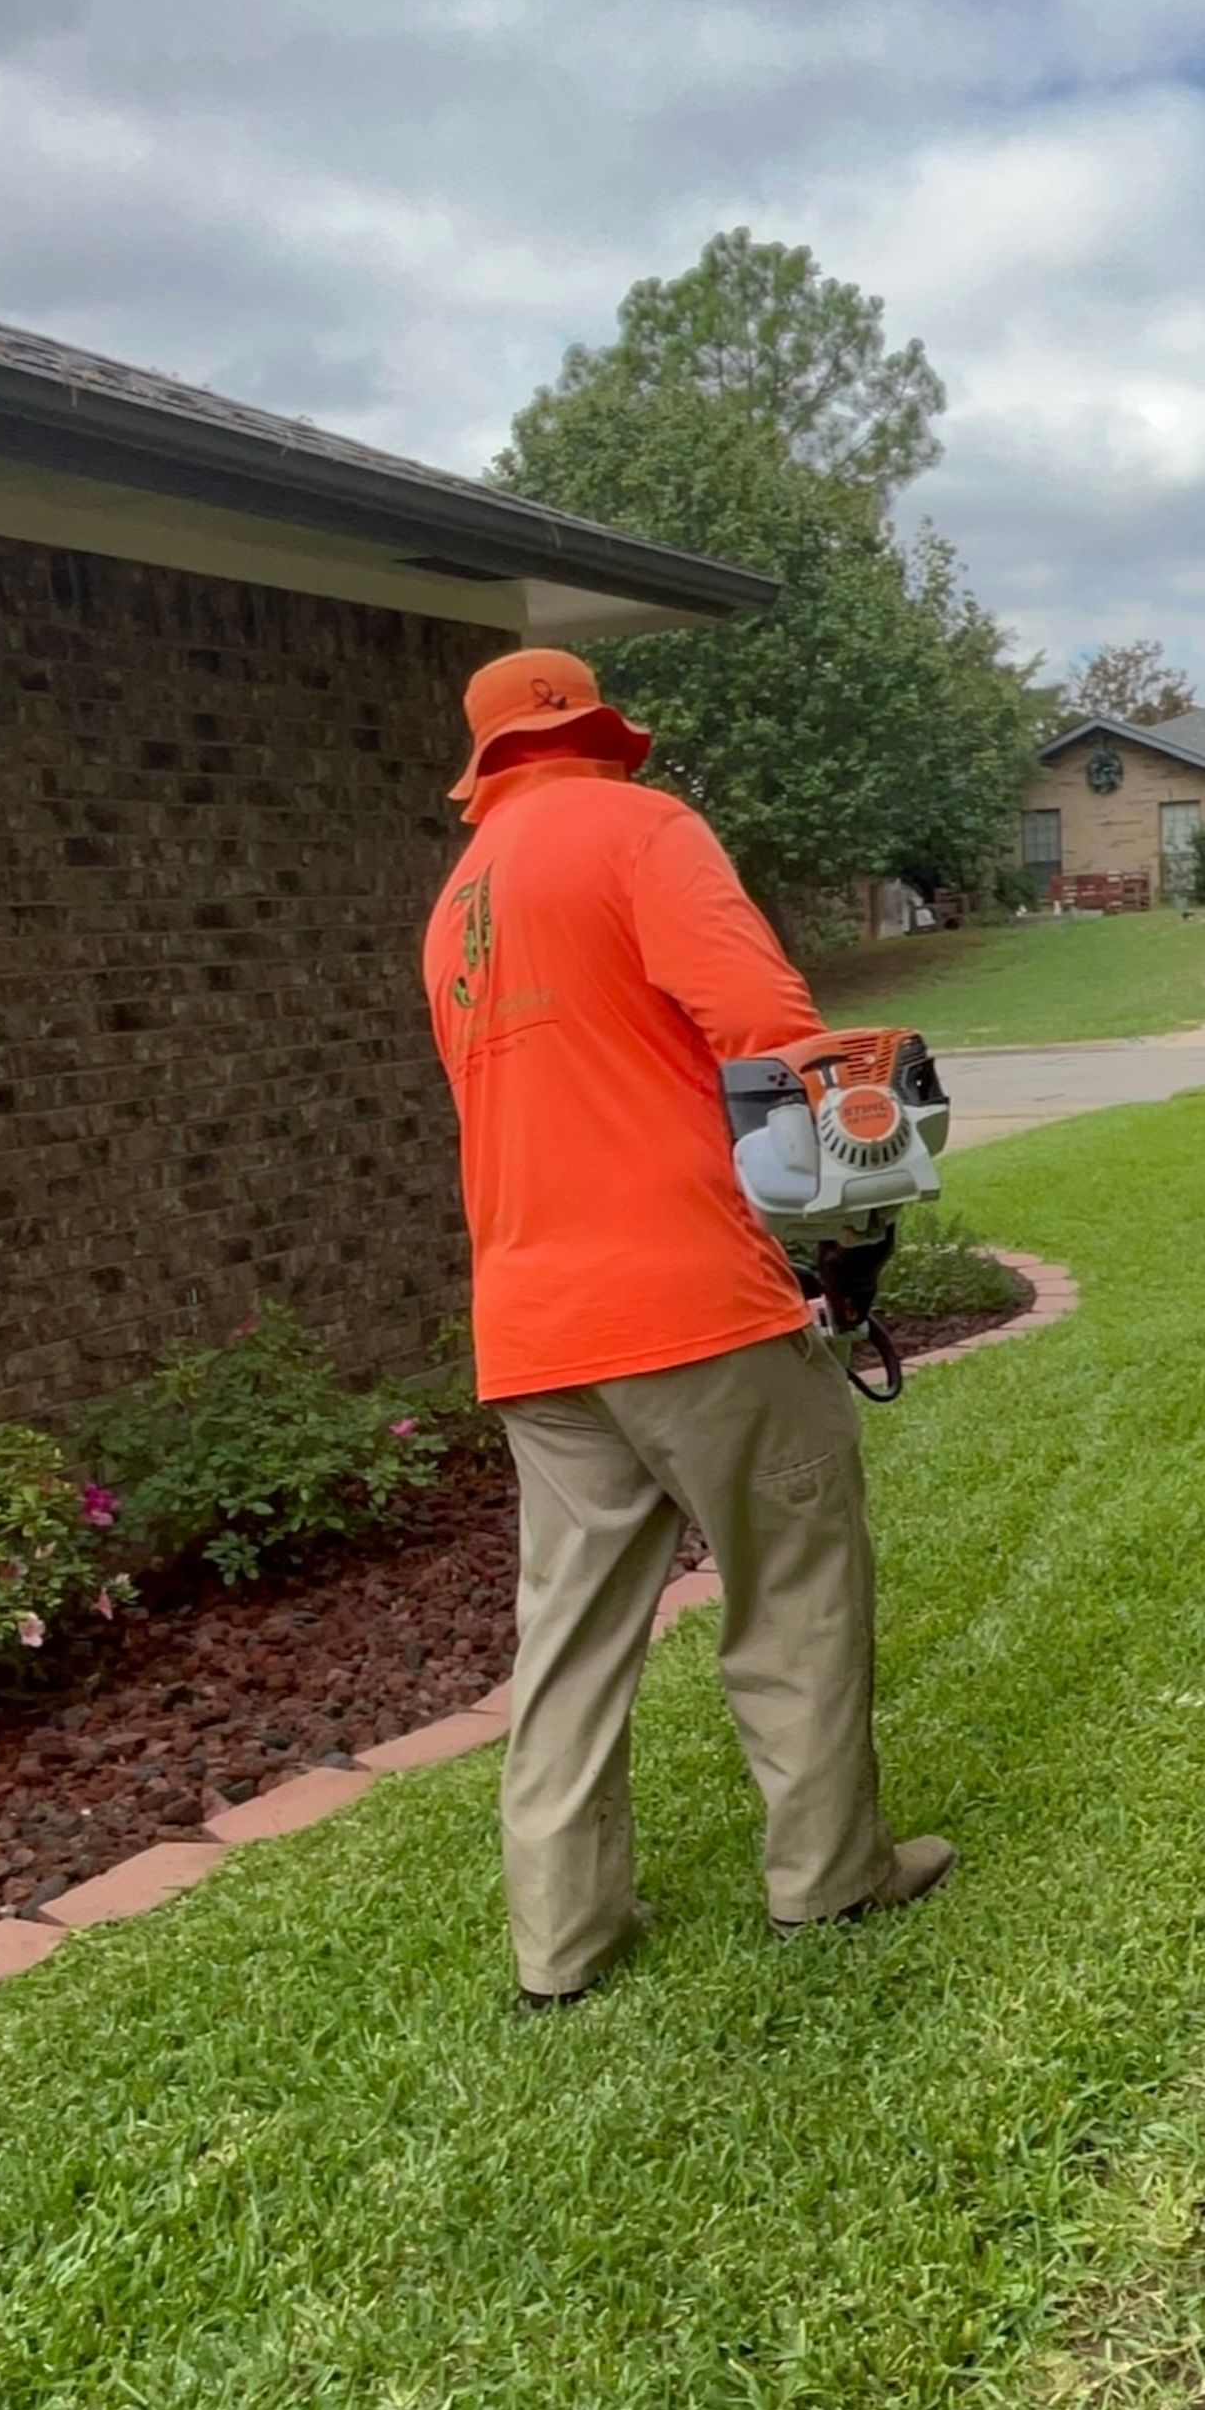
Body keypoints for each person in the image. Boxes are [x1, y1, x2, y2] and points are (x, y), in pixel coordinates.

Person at [421, 648, 955, 2011]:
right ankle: (829, 1877)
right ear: (600, 733)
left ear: (491, 761)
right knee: (794, 1581)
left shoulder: (456, 905)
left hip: (532, 1323)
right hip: (687, 1300)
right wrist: (858, 1183)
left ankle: (563, 1944)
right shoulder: (643, 826)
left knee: (572, 1635)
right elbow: (770, 1036)